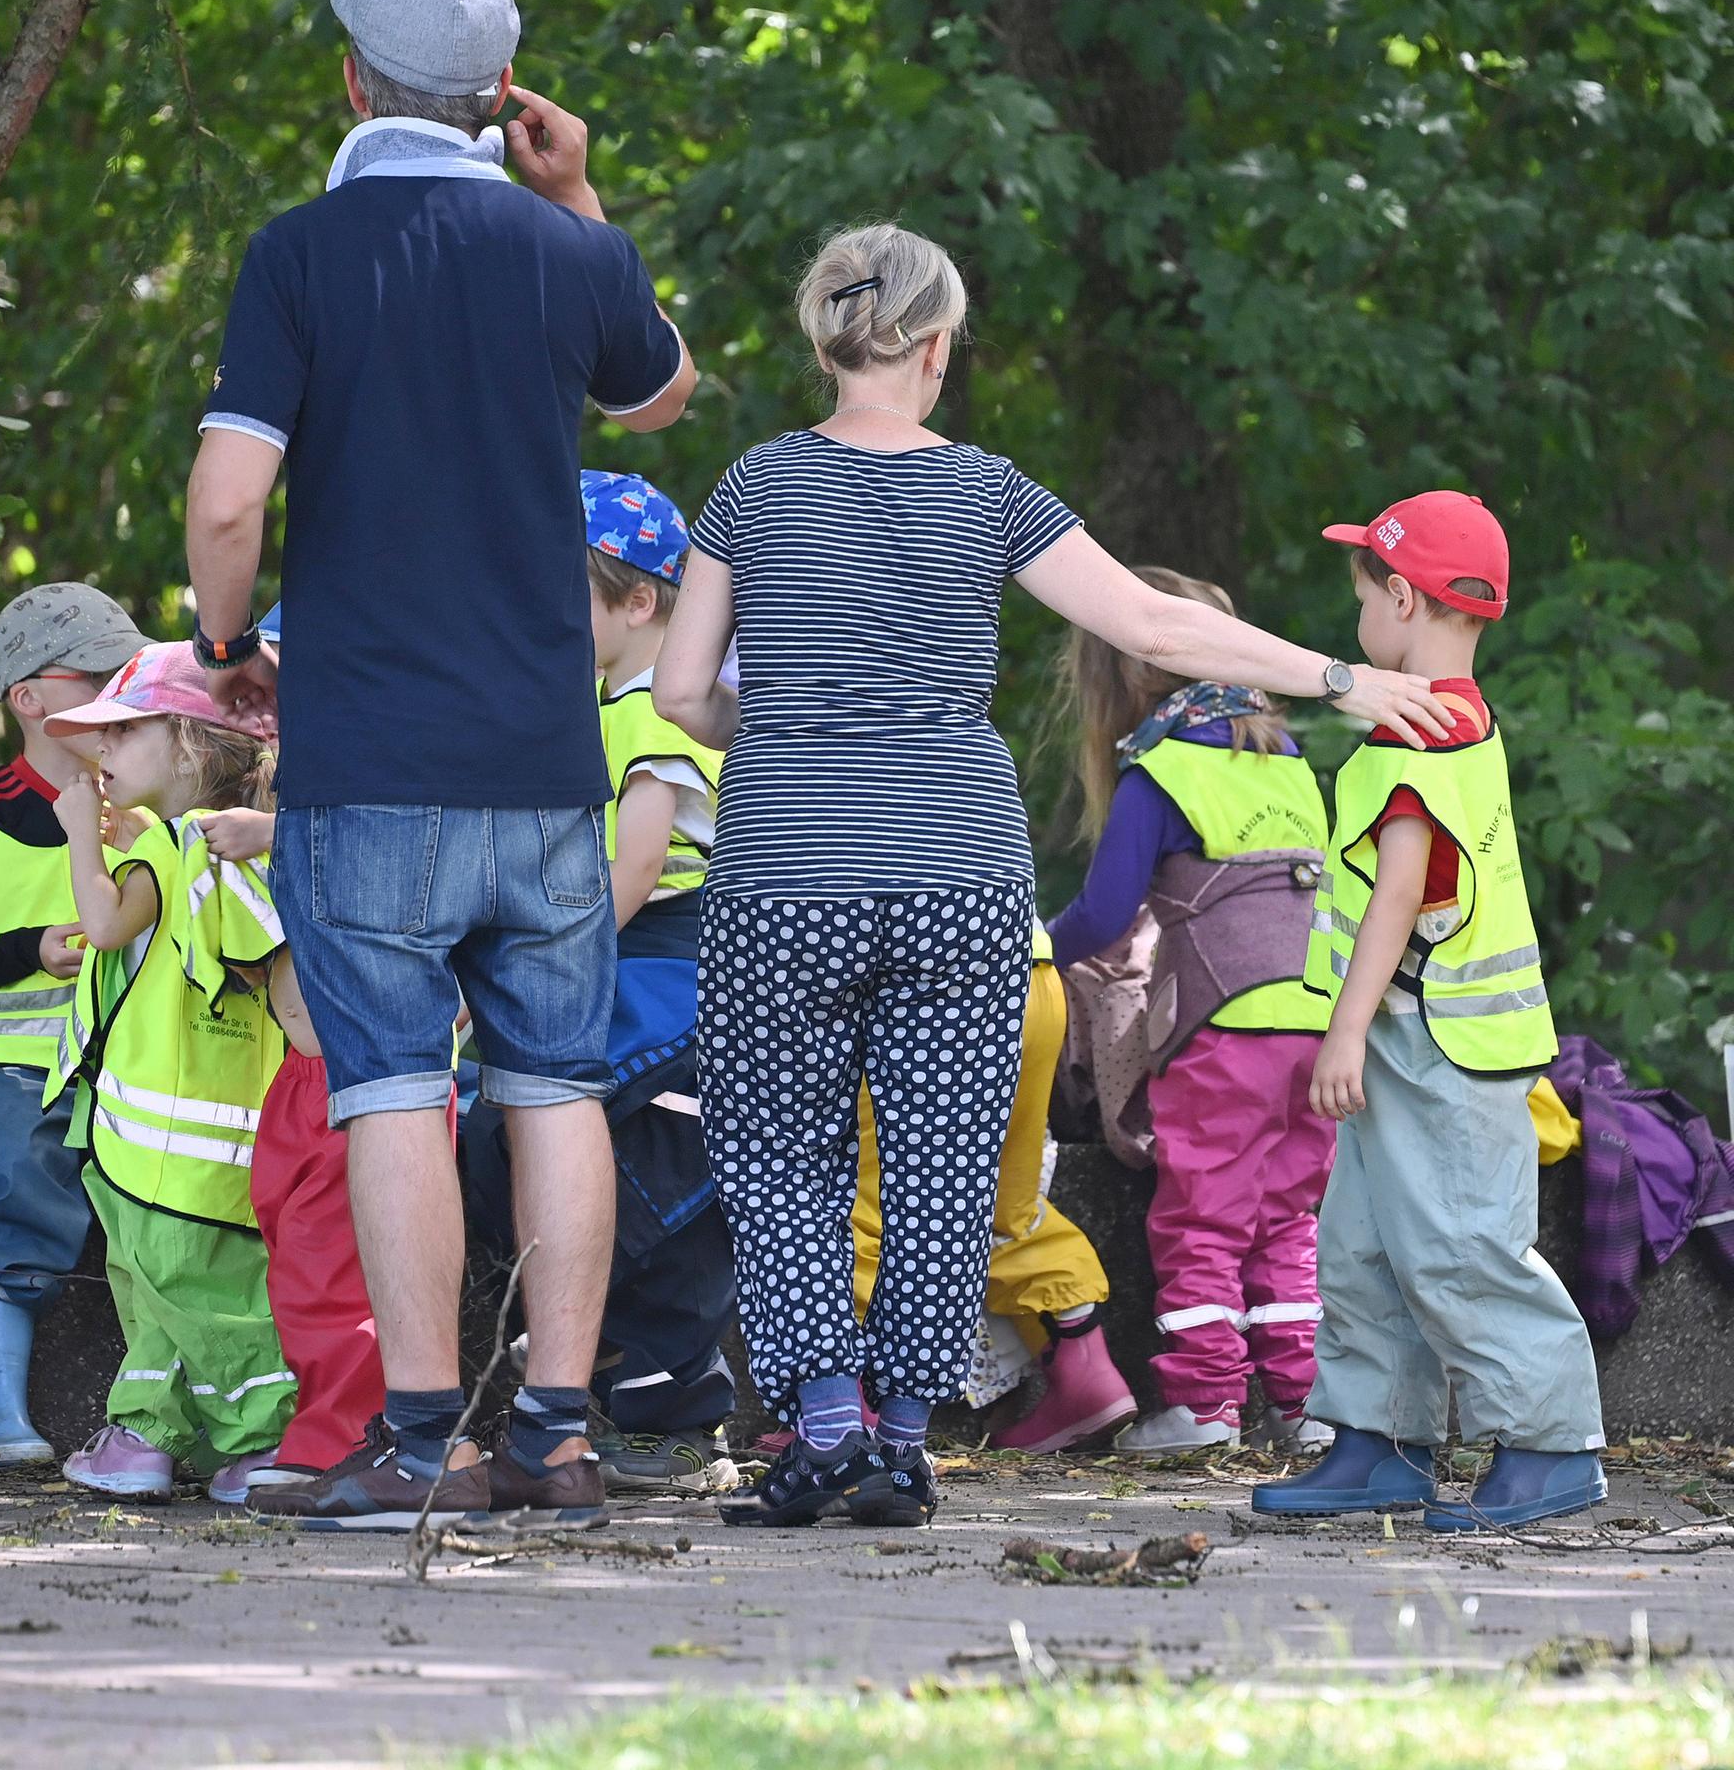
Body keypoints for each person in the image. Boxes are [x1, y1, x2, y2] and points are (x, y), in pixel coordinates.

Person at [654, 221, 1451, 1530]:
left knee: (780, 1155)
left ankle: (822, 1432)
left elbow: (684, 690)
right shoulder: (989, 490)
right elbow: (1151, 621)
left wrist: (791, 726)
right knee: (946, 1155)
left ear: (823, 341)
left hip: (783, 874)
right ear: (936, 346)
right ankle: (905, 1443)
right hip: (961, 873)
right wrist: (1347, 679)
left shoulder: (751, 487)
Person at [184, 0, 696, 1531]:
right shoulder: (563, 251)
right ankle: (558, 1433)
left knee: (393, 1090)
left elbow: (226, 501)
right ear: (501, 98)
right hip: (545, 769)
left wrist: (224, 647)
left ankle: (421, 1450)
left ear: (352, 84)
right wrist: (585, 202)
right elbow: (661, 395)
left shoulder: (300, 254)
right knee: (551, 1085)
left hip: (371, 765)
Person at [1254, 493, 1608, 1532]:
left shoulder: (1424, 740)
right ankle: (1378, 1442)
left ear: (1402, 597)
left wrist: (1346, 1029)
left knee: (1461, 1248)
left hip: (1442, 1041)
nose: (1356, 611)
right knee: (1362, 1243)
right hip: (1420, 1036)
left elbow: (1403, 894)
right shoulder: (1445, 718)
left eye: (1364, 587)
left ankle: (1551, 1447)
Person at [464, 471, 737, 1494]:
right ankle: (612, 1374)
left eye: (560, 594)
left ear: (639, 601)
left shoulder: (659, 712)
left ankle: (667, 1410)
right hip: (635, 968)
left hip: (667, 974)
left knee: (648, 1178)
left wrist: (543, 961)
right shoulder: (610, 706)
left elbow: (633, 868)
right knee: (536, 1147)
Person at [1051, 568, 1337, 1456]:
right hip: (1317, 1024)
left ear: (1131, 674)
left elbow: (1101, 919)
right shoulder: (1289, 766)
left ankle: (1207, 1405)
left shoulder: (1162, 771)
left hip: (1224, 1029)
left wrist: (1021, 949)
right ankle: (1300, 1402)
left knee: (1201, 1214)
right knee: (1288, 1216)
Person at [196, 607, 464, 1519]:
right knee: (304, 1272)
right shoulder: (300, 774)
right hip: (306, 1084)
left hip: (367, 1084)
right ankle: (333, 1431)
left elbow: (388, 853)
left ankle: (345, 1440)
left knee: (346, 1275)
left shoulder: (397, 754)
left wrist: (271, 837)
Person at [40, 643, 293, 1505]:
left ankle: (192, 1441)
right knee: (212, 1292)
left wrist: (81, 837)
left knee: (165, 1290)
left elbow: (105, 923)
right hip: (236, 1142)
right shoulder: (252, 847)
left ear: (186, 741)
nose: (101, 752)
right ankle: (206, 1442)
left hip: (153, 1144)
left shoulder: (174, 848)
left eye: (123, 731)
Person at [0, 583, 150, 1464]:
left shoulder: (150, 807)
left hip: (135, 1062)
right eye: (100, 675)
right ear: (29, 700)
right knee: (14, 1176)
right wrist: (24, 950)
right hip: (1, 1065)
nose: (124, 689)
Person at [847, 920, 1132, 1453]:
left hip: (919, 978)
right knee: (1007, 1203)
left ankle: (844, 1411)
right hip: (1028, 974)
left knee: (868, 1200)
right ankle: (1086, 1370)